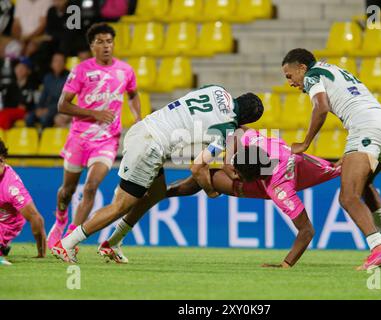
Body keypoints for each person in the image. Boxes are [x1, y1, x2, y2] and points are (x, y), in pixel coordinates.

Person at [51, 85, 264, 263]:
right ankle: (67, 243)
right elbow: (197, 167)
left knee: (156, 193)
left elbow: (196, 113)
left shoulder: (217, 89)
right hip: (151, 146)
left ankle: (112, 243)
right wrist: (210, 190)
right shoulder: (226, 128)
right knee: (121, 205)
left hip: (146, 129)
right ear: (248, 120)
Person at [98, 127, 341, 267]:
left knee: (196, 183)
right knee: (196, 181)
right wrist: (228, 164)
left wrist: (286, 264)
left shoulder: (279, 188)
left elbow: (307, 230)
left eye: (237, 173)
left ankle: (154, 194)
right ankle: (156, 194)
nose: (232, 172)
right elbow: (238, 131)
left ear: (254, 177)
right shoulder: (256, 143)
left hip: (304, 173)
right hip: (313, 164)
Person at [281, 48, 381, 270]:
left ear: (302, 68)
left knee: (348, 197)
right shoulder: (333, 69)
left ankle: (378, 248)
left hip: (366, 126)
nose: (290, 82)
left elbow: (321, 107)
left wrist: (306, 142)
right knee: (365, 185)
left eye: (290, 76)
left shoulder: (312, 75)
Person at [46, 23, 141, 249]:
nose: (106, 46)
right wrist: (94, 113)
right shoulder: (81, 70)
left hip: (107, 140)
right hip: (79, 138)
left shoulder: (125, 70)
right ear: (92, 46)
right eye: (101, 42)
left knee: (90, 187)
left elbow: (133, 94)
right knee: (67, 191)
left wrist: (138, 118)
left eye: (109, 41)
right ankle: (60, 219)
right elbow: (62, 105)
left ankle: (70, 239)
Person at [0, 138, 46, 266]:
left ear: (2, 160)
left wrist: (41, 252)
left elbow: (36, 218)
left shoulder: (12, 188)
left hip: (6, 224)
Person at [26, 52, 69, 128]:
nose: (58, 64)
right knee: (29, 118)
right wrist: (39, 108)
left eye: (60, 61)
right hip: (46, 107)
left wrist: (47, 110)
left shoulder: (68, 78)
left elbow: (64, 100)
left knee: (44, 119)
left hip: (58, 108)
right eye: (55, 61)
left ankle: (45, 138)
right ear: (51, 64)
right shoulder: (48, 78)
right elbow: (43, 96)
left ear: (64, 64)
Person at [0, 56, 38, 130]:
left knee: (5, 114)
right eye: (18, 66)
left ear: (29, 71)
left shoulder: (32, 85)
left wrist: (18, 105)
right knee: (3, 113)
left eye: (23, 67)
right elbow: (6, 103)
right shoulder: (10, 86)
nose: (19, 69)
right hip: (11, 111)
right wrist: (17, 105)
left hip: (26, 113)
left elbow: (26, 105)